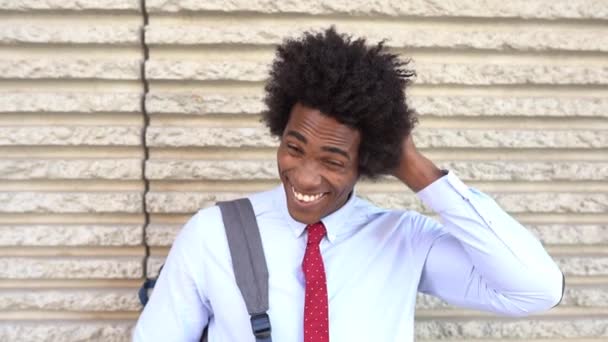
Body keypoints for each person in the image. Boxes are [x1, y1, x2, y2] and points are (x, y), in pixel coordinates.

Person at [133, 27, 564, 341]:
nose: (303, 175)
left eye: (333, 160)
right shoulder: (214, 233)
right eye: (294, 147)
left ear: (368, 161)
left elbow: (534, 289)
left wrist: (415, 168)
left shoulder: (403, 239)